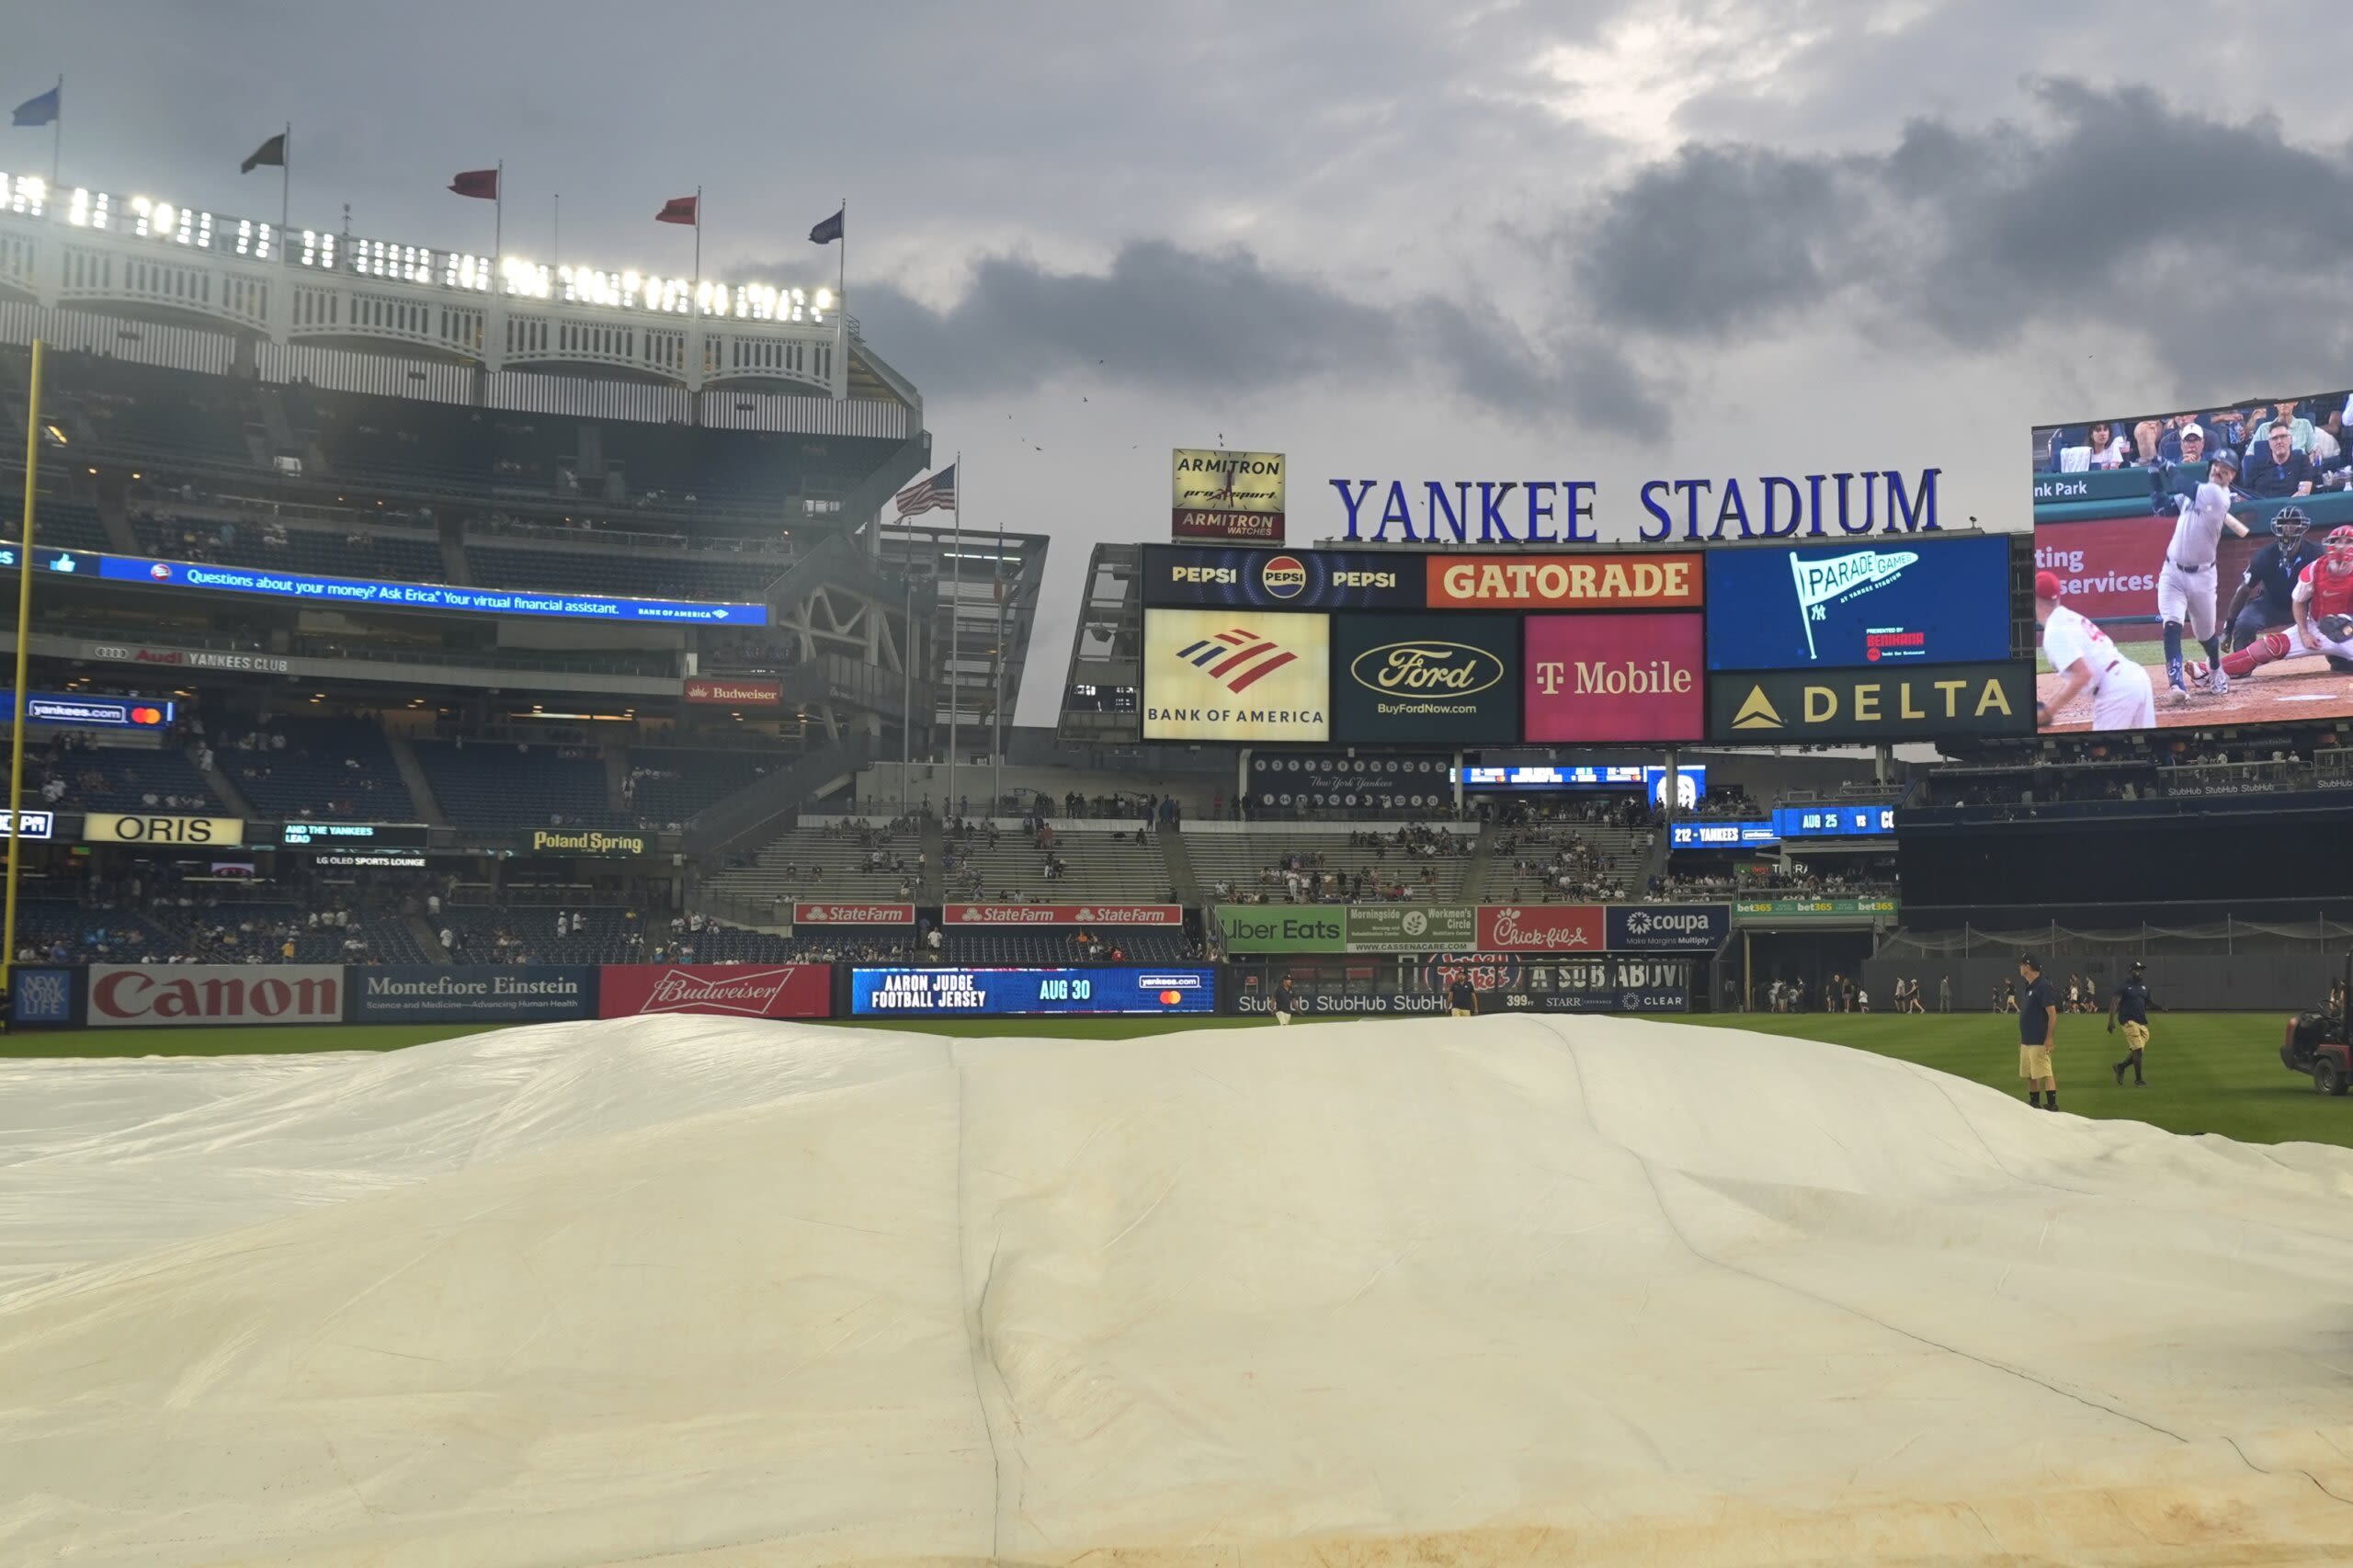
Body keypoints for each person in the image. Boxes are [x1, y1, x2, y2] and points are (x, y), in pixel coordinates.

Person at [2148, 449, 2252, 702]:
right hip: (2172, 571)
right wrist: (2153, 475)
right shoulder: (2198, 492)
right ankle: (2176, 685)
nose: (2219, 470)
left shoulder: (2218, 496)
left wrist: (2166, 464)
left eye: (2225, 469)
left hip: (2203, 578)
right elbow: (2161, 508)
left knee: (2205, 636)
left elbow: (2182, 483)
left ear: (2232, 476)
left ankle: (2215, 668)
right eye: (2217, 465)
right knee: (2171, 623)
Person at [2035, 570, 2156, 730]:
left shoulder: (2054, 630)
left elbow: (2083, 674)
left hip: (2115, 690)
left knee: (2103, 752)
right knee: (2147, 749)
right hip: (2136, 677)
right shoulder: (2068, 616)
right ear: (2058, 596)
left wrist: (2049, 711)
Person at [2219, 507, 2324, 669]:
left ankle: (2340, 659)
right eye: (2284, 523)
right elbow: (2244, 590)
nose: (2288, 527)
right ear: (2277, 526)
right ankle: (2240, 666)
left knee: (2335, 620)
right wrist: (2228, 628)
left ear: (2302, 526)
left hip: (2307, 606)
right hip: (2272, 604)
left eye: (2294, 523)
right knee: (2245, 622)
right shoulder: (2265, 555)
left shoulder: (2317, 553)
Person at [2016, 953, 2059, 1110]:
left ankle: (2052, 1104)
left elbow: (2052, 1013)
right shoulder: (2029, 986)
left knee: (2045, 1072)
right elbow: (2028, 1014)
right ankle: (2034, 1103)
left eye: (2021, 965)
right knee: (2030, 1074)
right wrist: (2022, 1037)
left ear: (2028, 966)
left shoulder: (2043, 985)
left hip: (2039, 1039)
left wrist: (2049, 1038)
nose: (2020, 968)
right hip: (2027, 1040)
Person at [2241, 422, 2314, 500]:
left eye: (2283, 436)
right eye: (2274, 438)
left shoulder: (2302, 461)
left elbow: (2304, 492)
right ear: (2269, 443)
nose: (2279, 441)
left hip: (2293, 509)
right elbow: (2247, 496)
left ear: (2291, 440)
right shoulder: (2257, 465)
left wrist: (2283, 507)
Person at [2109, 960, 2154, 1087]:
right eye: (2137, 970)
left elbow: (2149, 1003)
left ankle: (2120, 1067)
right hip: (2128, 1020)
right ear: (2131, 972)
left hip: (2141, 1022)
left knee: (2138, 1051)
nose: (2140, 973)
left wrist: (2160, 1006)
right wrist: (2111, 1020)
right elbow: (2115, 1002)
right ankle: (2139, 1080)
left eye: (2141, 970)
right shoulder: (2124, 986)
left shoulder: (2144, 987)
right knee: (2138, 1050)